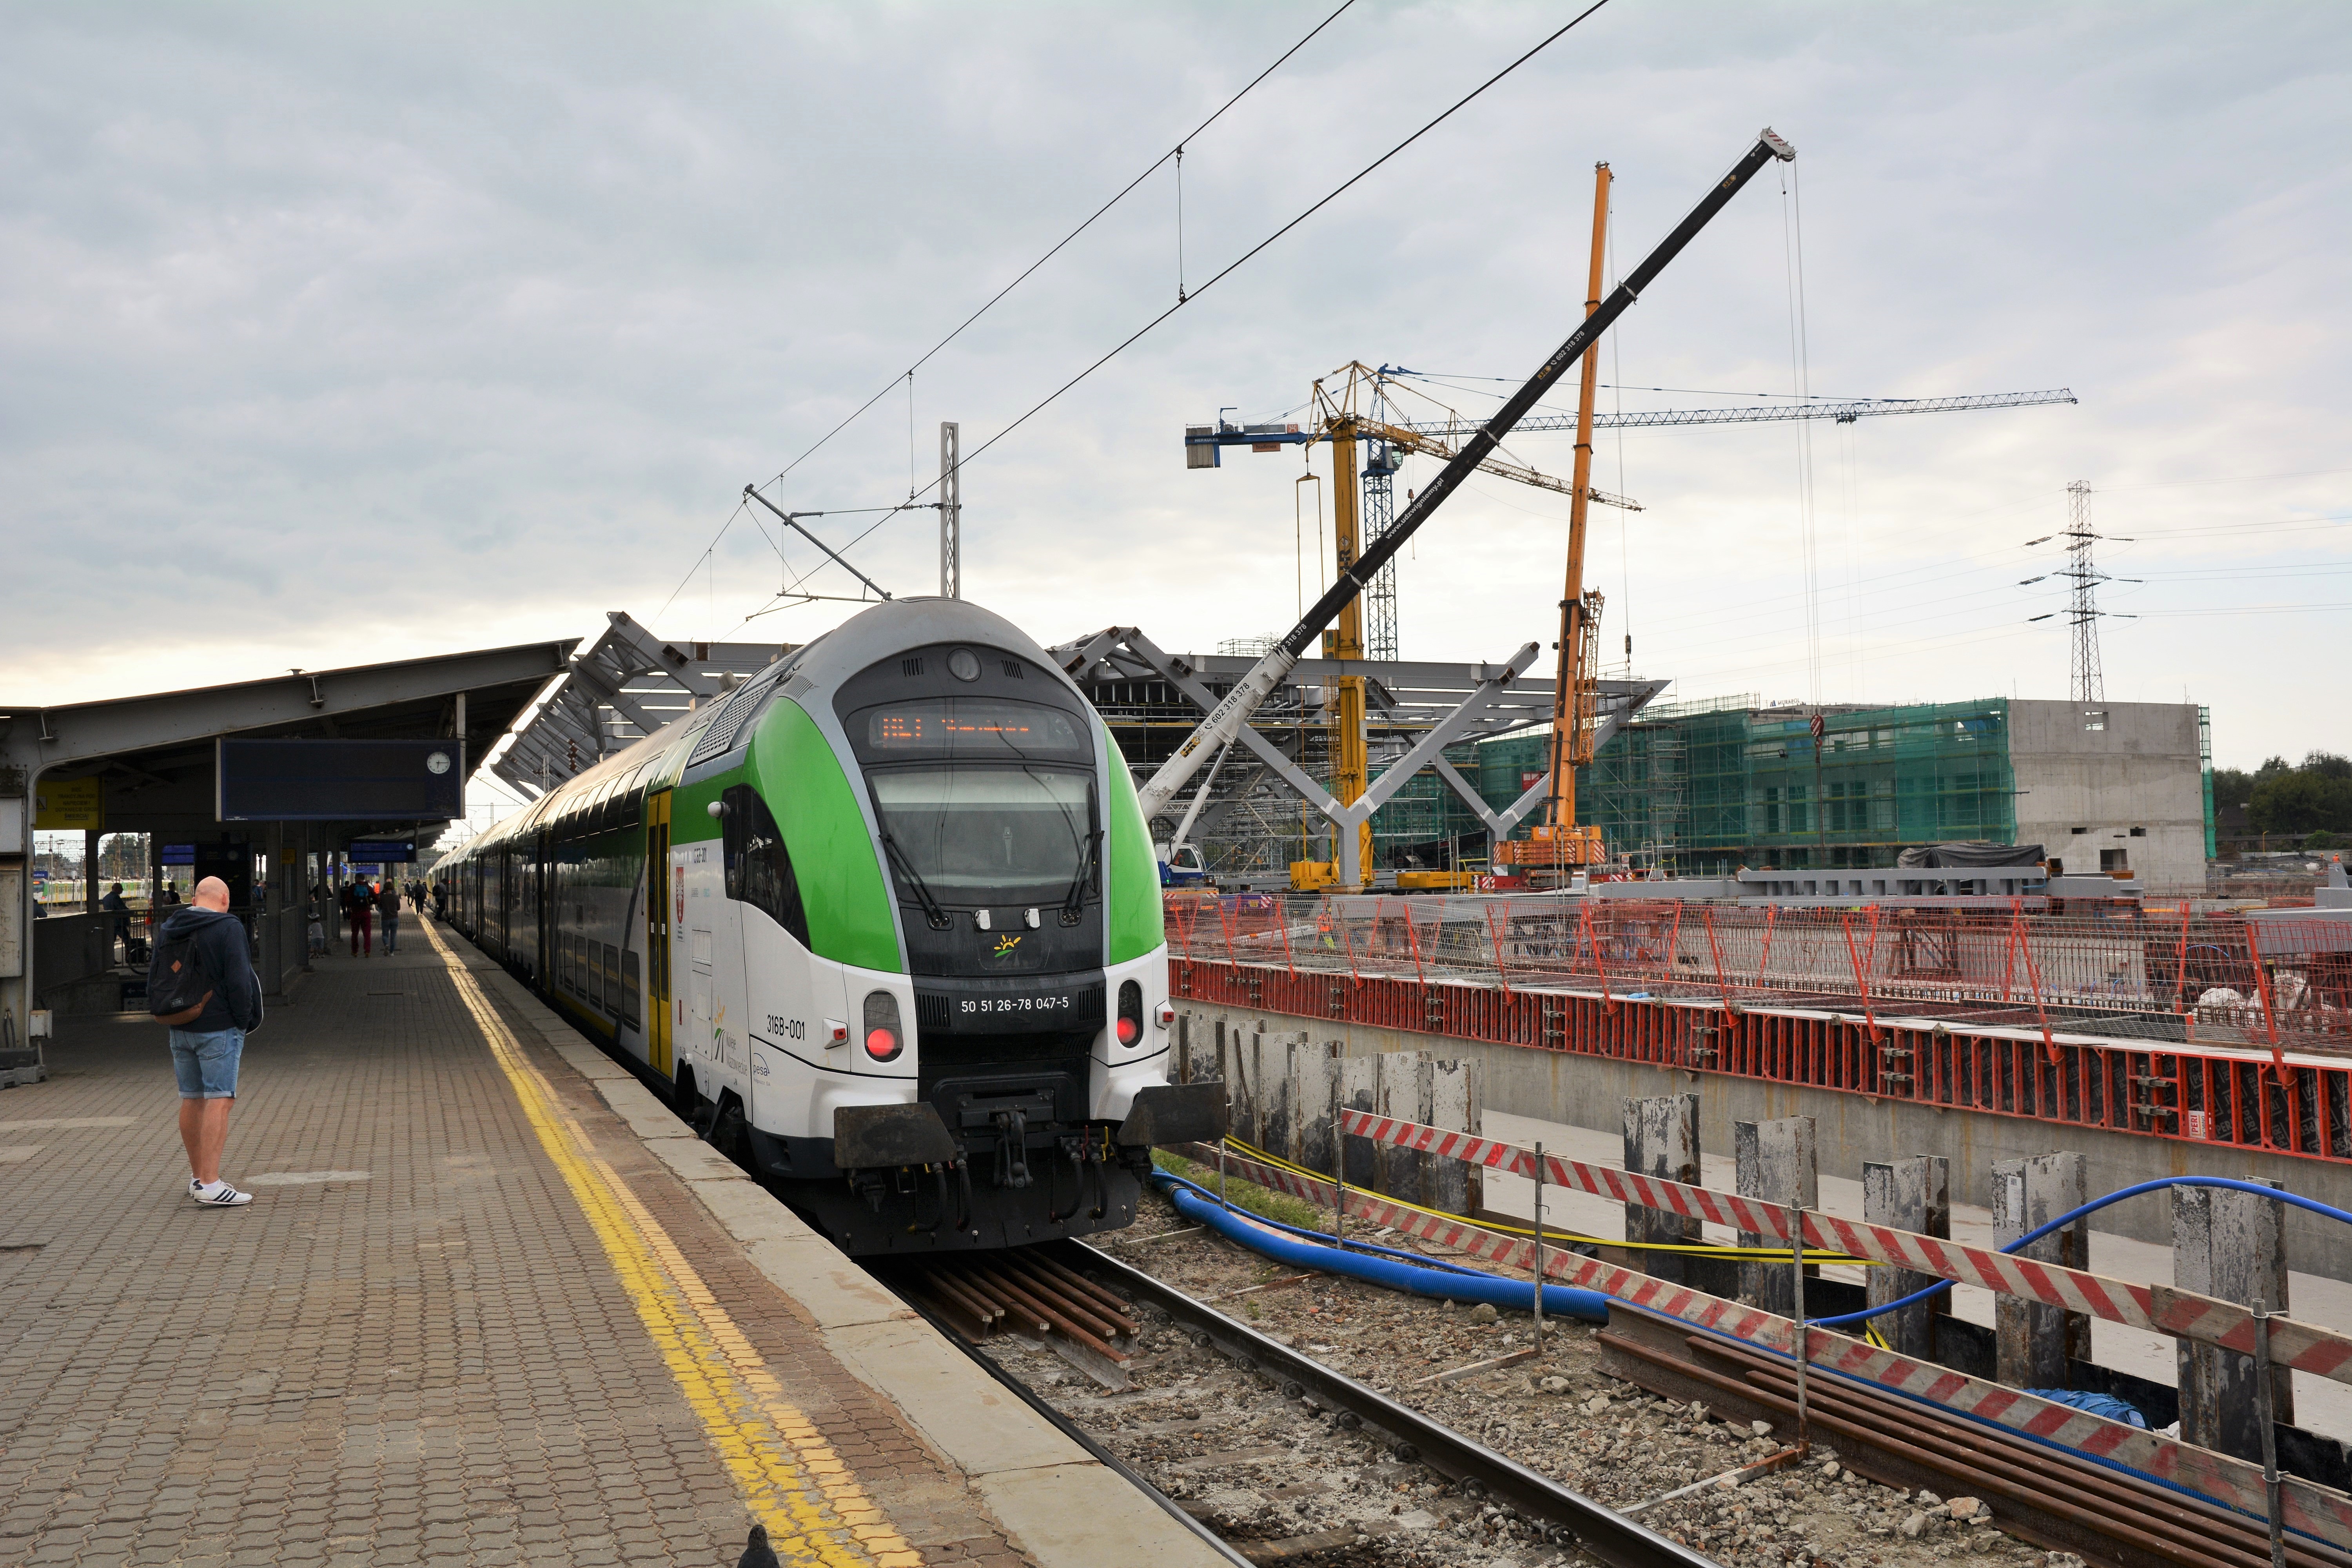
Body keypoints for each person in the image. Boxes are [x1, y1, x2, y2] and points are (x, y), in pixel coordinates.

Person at [152, 876, 261, 1206]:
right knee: (220, 1099)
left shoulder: (170, 927)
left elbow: (156, 976)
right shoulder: (228, 927)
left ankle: (198, 1177)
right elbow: (240, 979)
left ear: (195, 900)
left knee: (192, 1099)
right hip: (219, 1027)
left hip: (179, 1024)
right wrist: (242, 1020)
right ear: (225, 899)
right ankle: (212, 1185)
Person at [345, 875, 374, 958]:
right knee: (367, 933)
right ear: (363, 878)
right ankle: (367, 951)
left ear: (357, 878)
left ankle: (355, 951)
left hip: (355, 913)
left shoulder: (353, 887)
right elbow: (376, 898)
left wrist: (349, 907)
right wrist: (370, 904)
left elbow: (347, 899)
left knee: (355, 933)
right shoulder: (368, 887)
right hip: (366, 913)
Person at [100, 882, 129, 958]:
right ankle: (130, 957)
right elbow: (122, 908)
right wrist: (131, 912)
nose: (122, 890)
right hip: (118, 923)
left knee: (111, 942)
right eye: (121, 888)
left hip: (110, 923)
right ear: (116, 889)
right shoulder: (116, 898)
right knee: (127, 940)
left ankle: (110, 960)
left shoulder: (106, 898)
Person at [376, 877, 402, 956]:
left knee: (385, 935)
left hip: (385, 918)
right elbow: (399, 908)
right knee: (393, 936)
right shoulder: (396, 897)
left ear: (385, 888)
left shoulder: (382, 897)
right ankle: (392, 952)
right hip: (395, 918)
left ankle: (386, 944)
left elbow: (380, 907)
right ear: (392, 888)